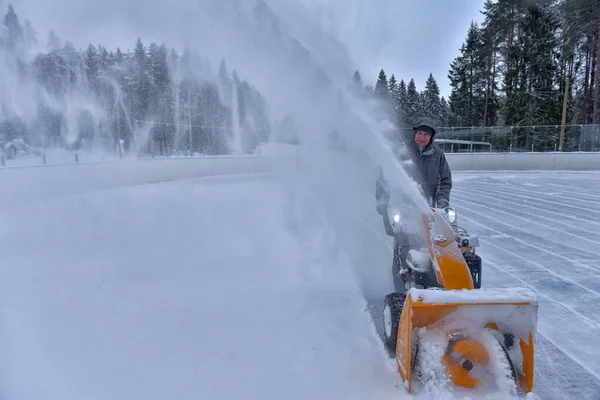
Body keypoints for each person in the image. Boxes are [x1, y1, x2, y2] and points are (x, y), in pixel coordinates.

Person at [375, 116, 453, 292]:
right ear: (414, 134)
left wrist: (442, 201)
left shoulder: (437, 155)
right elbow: (384, 178)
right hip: (404, 210)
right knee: (404, 246)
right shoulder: (400, 153)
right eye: (419, 133)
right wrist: (382, 199)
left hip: (429, 210)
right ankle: (403, 290)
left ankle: (435, 284)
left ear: (431, 137)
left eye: (426, 134)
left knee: (434, 246)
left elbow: (444, 181)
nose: (422, 137)